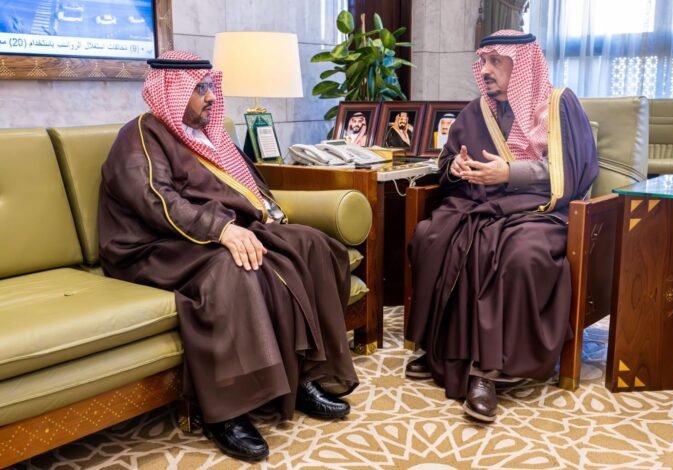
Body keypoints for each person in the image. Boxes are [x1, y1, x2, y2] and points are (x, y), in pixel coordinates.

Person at [98, 51, 359, 462]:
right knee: (237, 267)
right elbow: (155, 200)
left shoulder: (208, 134)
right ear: (171, 91)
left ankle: (304, 375)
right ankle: (226, 411)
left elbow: (246, 185)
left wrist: (266, 216)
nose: (210, 97)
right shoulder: (142, 135)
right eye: (200, 88)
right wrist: (221, 230)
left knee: (311, 244)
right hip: (154, 246)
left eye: (210, 87)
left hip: (207, 234)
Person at [404, 31, 598, 423]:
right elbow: (446, 162)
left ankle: (488, 370)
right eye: (484, 61)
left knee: (518, 254)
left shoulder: (558, 104)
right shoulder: (477, 110)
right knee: (432, 235)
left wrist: (509, 173)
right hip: (480, 204)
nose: (486, 70)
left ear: (522, 63)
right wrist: (456, 168)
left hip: (540, 210)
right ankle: (445, 349)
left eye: (496, 61)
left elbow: (571, 172)